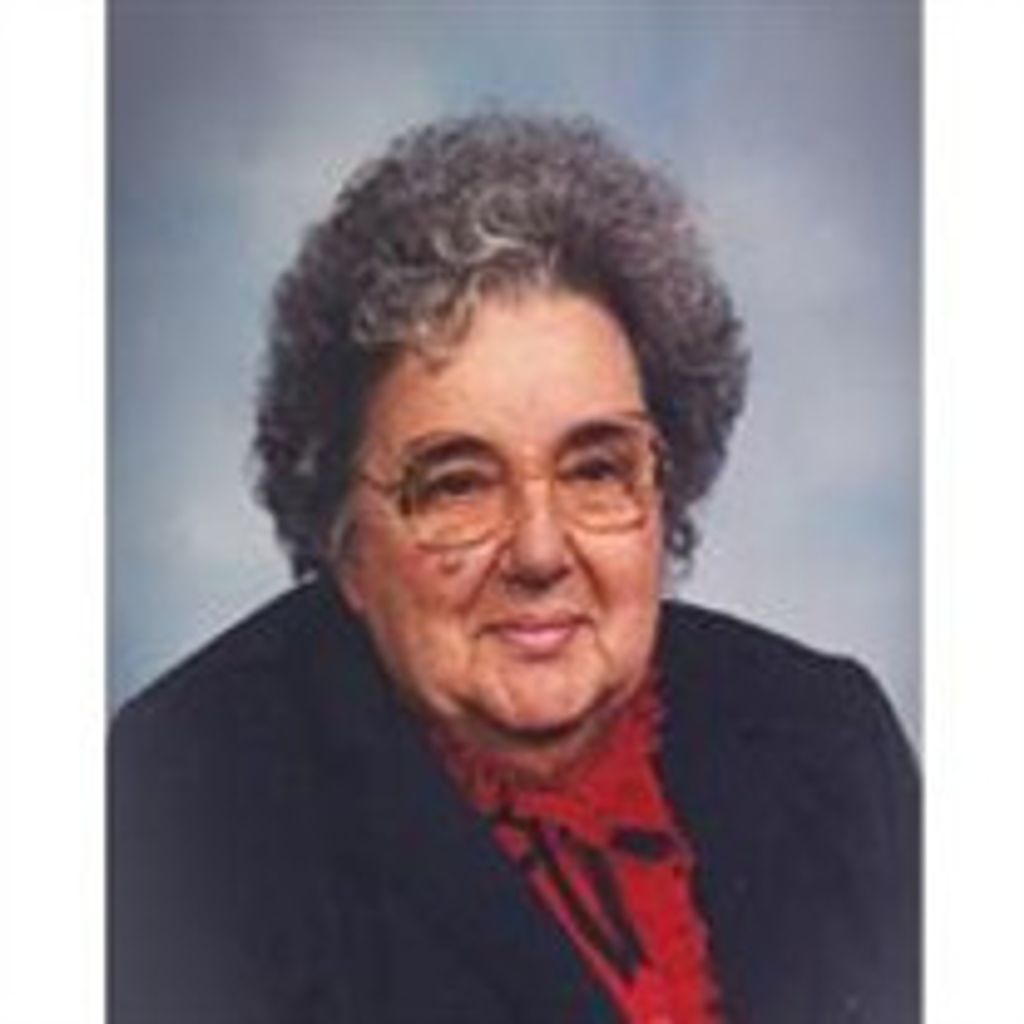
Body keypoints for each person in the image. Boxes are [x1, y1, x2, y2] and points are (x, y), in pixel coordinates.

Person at [109, 113, 919, 1024]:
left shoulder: (827, 736)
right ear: (344, 536)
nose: (539, 551)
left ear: (665, 488)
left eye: (596, 469)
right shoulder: (181, 806)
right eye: (456, 484)